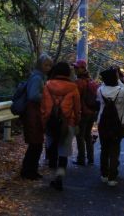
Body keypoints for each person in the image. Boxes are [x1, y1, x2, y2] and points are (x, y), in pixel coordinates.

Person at [41, 61, 81, 191]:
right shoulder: (73, 87)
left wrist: (44, 121)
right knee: (63, 152)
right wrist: (76, 122)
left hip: (50, 123)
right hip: (67, 123)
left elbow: (43, 107)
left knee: (52, 149)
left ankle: (52, 175)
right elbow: (77, 108)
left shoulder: (47, 85)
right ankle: (59, 176)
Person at [20, 54, 52, 180]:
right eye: (46, 65)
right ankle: (28, 171)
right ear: (40, 64)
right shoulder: (37, 78)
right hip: (33, 114)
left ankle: (30, 170)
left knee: (36, 143)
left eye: (50, 65)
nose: (48, 67)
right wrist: (46, 97)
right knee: (36, 144)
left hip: (34, 114)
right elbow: (33, 96)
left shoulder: (38, 76)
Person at [97, 67, 124, 187]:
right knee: (114, 150)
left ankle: (104, 174)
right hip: (118, 123)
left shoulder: (100, 90)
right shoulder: (121, 91)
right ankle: (112, 177)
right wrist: (118, 78)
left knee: (104, 149)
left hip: (102, 122)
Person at [73, 59, 98, 166]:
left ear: (83, 68)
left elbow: (76, 99)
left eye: (76, 67)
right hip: (92, 112)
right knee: (88, 135)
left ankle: (81, 159)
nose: (75, 69)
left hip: (83, 112)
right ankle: (91, 158)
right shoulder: (91, 81)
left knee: (80, 136)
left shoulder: (79, 83)